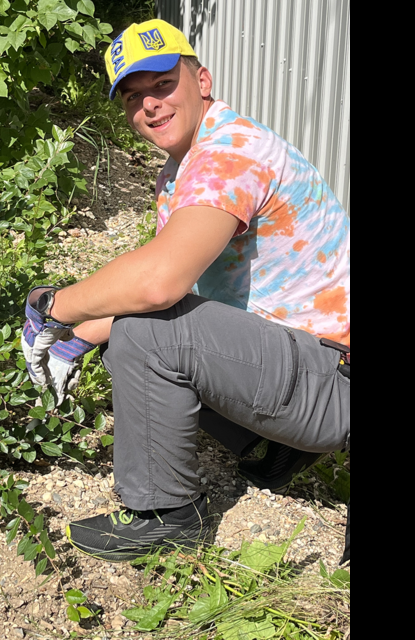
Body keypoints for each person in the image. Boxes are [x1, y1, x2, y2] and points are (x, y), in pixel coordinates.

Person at [21, 19, 350, 564]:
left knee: (145, 332)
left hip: (333, 384)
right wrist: (76, 337)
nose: (148, 106)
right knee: (129, 320)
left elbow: (157, 286)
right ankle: (274, 448)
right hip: (308, 367)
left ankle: (168, 514)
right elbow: (175, 284)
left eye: (161, 84)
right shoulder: (180, 170)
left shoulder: (230, 153)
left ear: (202, 80)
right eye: (132, 97)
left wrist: (50, 306)